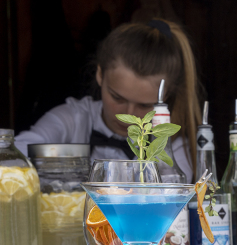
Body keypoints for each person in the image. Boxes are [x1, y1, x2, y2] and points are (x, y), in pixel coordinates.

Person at [15, 19, 201, 179]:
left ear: (165, 96)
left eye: (144, 105)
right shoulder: (74, 117)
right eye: (117, 98)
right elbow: (13, 154)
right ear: (100, 75)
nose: (128, 114)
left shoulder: (173, 144)